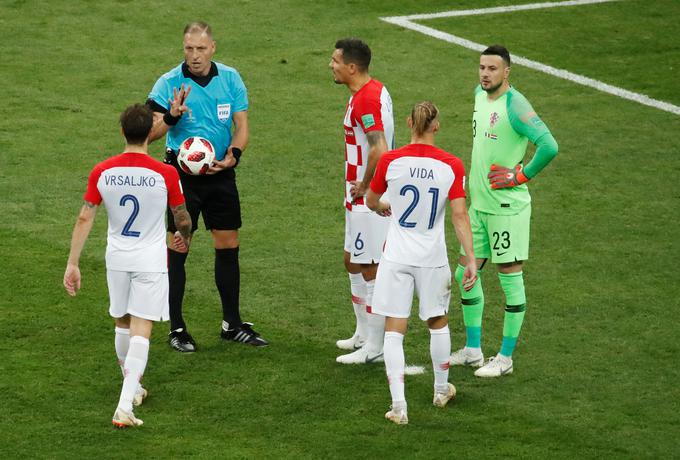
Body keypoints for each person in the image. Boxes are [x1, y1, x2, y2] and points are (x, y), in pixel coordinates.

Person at [63, 103, 192, 427]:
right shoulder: (166, 173)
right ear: (151, 132)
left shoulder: (103, 171)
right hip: (149, 260)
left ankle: (133, 389)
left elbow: (84, 216)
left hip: (117, 259)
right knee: (142, 328)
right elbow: (181, 215)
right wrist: (182, 237)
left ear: (122, 131)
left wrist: (73, 264)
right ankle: (124, 407)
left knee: (122, 322)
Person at [146, 21, 268, 352]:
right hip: (180, 177)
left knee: (228, 243)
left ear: (213, 47)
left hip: (220, 174)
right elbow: (147, 134)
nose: (195, 56)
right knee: (179, 244)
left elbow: (241, 126)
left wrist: (234, 155)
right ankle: (177, 328)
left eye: (201, 49)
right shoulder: (169, 82)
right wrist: (171, 117)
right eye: (189, 49)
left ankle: (231, 323)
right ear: (183, 48)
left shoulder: (230, 78)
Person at [449, 45, 559, 377]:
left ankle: (505, 358)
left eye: (492, 69)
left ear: (507, 71)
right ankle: (472, 350)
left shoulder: (516, 104)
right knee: (465, 274)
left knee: (510, 280)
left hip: (506, 208)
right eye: (482, 67)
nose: (485, 74)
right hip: (479, 206)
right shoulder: (479, 96)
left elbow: (549, 145)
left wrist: (521, 174)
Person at [367, 101, 477, 425]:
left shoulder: (391, 161)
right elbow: (459, 215)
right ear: (436, 126)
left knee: (394, 329)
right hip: (432, 258)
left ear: (408, 124)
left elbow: (371, 200)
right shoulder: (452, 166)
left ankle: (398, 406)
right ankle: (441, 390)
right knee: (437, 321)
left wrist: (383, 206)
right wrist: (470, 258)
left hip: (397, 256)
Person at [329, 38, 395, 364]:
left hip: (368, 197)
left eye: (335, 60)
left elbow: (379, 149)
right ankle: (362, 332)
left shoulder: (366, 100)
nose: (331, 65)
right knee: (352, 261)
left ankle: (375, 346)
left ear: (352, 67)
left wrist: (366, 188)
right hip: (357, 194)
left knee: (370, 267)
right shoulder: (370, 91)